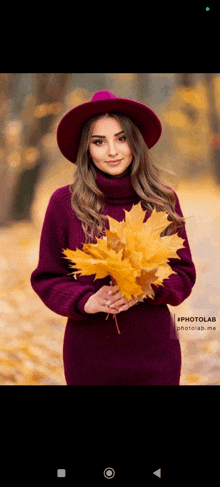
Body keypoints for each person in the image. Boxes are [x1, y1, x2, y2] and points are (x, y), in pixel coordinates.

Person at [30, 90, 196, 385]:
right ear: (86, 149)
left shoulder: (162, 200)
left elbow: (184, 275)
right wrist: (86, 300)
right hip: (89, 355)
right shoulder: (64, 203)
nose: (112, 151)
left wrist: (150, 287)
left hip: (155, 353)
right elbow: (47, 278)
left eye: (121, 138)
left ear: (136, 143)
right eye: (99, 142)